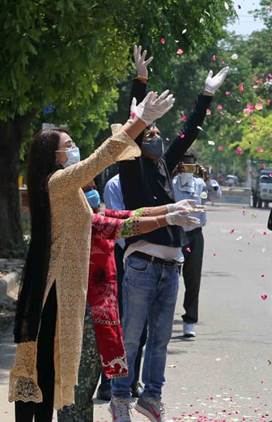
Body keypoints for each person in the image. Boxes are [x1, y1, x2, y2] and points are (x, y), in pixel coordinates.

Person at [9, 90, 174, 421]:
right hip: (53, 291)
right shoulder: (59, 182)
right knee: (43, 372)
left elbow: (107, 222)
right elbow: (103, 157)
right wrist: (137, 121)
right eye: (68, 146)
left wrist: (167, 213)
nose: (73, 150)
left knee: (48, 373)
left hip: (61, 290)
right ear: (53, 155)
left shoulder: (66, 188)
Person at [109, 46, 228, 422]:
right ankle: (119, 398)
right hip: (142, 265)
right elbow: (133, 123)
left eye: (158, 133)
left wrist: (206, 95)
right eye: (151, 133)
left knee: (159, 339)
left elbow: (189, 130)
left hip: (170, 266)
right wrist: (140, 84)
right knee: (132, 338)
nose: (157, 137)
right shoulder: (130, 166)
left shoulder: (163, 164)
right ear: (139, 139)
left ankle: (152, 397)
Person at [58, 183, 199, 421]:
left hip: (99, 305)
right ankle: (117, 399)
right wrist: (168, 218)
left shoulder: (96, 216)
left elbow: (132, 214)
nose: (94, 196)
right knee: (83, 379)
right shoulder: (85, 221)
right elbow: (126, 225)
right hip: (79, 307)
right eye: (86, 192)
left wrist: (169, 209)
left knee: (154, 340)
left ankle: (144, 397)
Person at [97, 173, 148, 401]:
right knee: (115, 319)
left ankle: (132, 378)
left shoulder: (150, 179)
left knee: (140, 322)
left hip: (147, 256)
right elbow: (118, 226)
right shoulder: (115, 184)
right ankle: (108, 381)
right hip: (122, 255)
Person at [171, 152, 208, 338]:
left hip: (195, 234)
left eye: (191, 166)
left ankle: (190, 320)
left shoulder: (200, 184)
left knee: (193, 278)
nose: (188, 169)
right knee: (171, 276)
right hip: (176, 233)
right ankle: (166, 315)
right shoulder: (172, 182)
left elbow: (214, 195)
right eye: (185, 165)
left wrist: (207, 178)